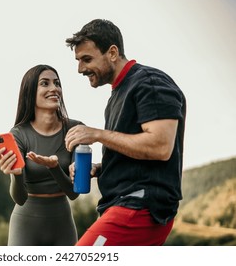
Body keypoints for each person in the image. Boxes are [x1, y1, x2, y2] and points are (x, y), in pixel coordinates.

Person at [64, 19, 186, 246]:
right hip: (123, 205)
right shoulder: (117, 95)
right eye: (78, 61)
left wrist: (97, 134)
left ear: (112, 52)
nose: (80, 69)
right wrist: (99, 168)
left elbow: (160, 147)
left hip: (139, 206)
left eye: (87, 59)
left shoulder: (149, 82)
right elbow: (135, 153)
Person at [0, 64, 83, 246]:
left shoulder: (75, 130)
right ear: (30, 93)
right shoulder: (19, 134)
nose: (54, 88)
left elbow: (74, 193)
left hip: (63, 225)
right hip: (26, 225)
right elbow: (20, 198)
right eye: (45, 83)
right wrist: (17, 174)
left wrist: (55, 168)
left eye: (57, 83)